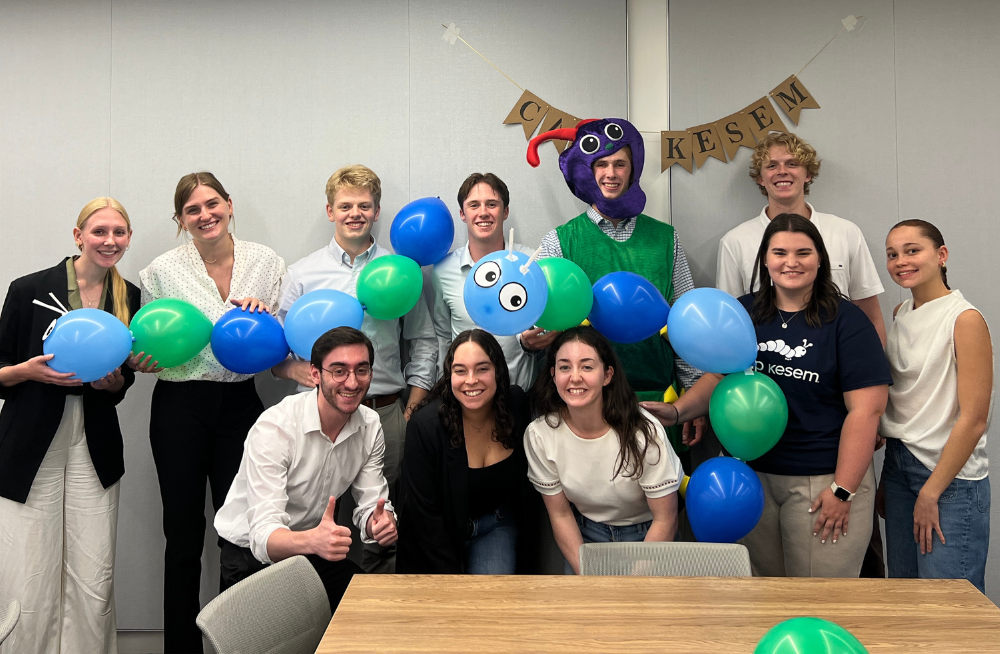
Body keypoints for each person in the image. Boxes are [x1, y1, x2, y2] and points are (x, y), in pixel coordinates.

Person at [643, 214, 891, 578]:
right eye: (780, 252)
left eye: (803, 252)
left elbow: (865, 412)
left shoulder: (847, 321)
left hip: (822, 483)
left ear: (820, 258)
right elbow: (719, 374)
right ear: (764, 260)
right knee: (759, 597)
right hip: (749, 482)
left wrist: (843, 491)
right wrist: (677, 411)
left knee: (816, 603)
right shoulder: (744, 312)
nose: (791, 262)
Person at [137, 172, 285, 653]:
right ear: (180, 220)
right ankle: (181, 648)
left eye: (211, 204)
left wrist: (269, 316)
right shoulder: (160, 271)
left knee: (242, 530)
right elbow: (150, 340)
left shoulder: (266, 262)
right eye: (192, 210)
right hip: (181, 405)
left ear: (229, 204)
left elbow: (283, 338)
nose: (205, 215)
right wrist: (140, 359)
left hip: (241, 404)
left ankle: (239, 643)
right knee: (181, 534)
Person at [273, 164, 436, 573]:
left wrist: (414, 400)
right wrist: (301, 376)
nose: (355, 213)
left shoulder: (401, 271)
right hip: (316, 416)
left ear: (377, 210)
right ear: (330, 211)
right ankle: (316, 621)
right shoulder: (302, 274)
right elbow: (275, 354)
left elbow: (423, 338)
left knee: (381, 524)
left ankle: (376, 623)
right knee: (310, 523)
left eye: (364, 205)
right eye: (345, 205)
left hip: (384, 412)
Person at [0, 197, 139, 654]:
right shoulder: (28, 289)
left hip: (95, 445)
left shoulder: (129, 296)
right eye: (99, 231)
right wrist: (27, 371)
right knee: (30, 567)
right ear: (78, 236)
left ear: (128, 239)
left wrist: (113, 382)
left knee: (93, 568)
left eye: (119, 232)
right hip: (29, 444)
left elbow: (123, 383)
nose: (109, 241)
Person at [533, 118, 705, 456]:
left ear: (632, 169)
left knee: (659, 503)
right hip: (582, 405)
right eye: (602, 164)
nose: (611, 173)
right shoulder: (559, 242)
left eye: (619, 163)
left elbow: (687, 325)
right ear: (589, 170)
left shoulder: (665, 239)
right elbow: (542, 326)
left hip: (657, 402)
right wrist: (531, 340)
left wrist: (693, 398)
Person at [215, 327, 397, 610]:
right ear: (315, 375)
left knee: (372, 608)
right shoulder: (276, 428)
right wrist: (314, 541)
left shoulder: (370, 425)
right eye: (339, 370)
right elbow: (263, 537)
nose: (352, 382)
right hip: (250, 556)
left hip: (310, 551)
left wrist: (379, 524)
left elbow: (372, 506)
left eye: (361, 370)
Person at [878, 220, 993, 593]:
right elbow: (903, 407)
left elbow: (974, 419)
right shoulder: (900, 314)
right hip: (899, 468)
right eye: (892, 254)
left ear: (941, 255)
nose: (901, 261)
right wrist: (887, 478)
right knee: (906, 597)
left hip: (949, 479)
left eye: (913, 250)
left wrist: (931, 492)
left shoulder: (964, 319)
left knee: (948, 604)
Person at [525, 326, 683, 575]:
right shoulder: (540, 434)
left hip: (648, 538)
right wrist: (587, 574)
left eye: (587, 366)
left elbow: (666, 519)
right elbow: (561, 515)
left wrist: (631, 585)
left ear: (607, 375)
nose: (575, 377)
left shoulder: (644, 431)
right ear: (553, 375)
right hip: (587, 538)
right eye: (565, 367)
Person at [716, 131, 887, 345]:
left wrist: (874, 370)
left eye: (792, 164)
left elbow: (869, 313)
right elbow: (730, 320)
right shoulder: (735, 242)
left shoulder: (845, 232)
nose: (782, 172)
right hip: (765, 365)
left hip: (838, 359)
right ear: (760, 178)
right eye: (771, 166)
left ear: (808, 174)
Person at [396, 329, 541, 574]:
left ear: (498, 371)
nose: (471, 380)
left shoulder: (515, 405)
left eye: (482, 368)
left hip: (495, 527)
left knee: (491, 607)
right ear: (449, 375)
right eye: (460, 370)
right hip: (435, 534)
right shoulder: (425, 426)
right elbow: (424, 515)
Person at [432, 173, 544, 388]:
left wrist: (534, 344)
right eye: (474, 205)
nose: (483, 213)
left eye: (491, 204)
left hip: (519, 397)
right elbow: (442, 337)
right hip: (466, 397)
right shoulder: (443, 270)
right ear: (462, 214)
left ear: (505, 211)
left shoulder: (533, 265)